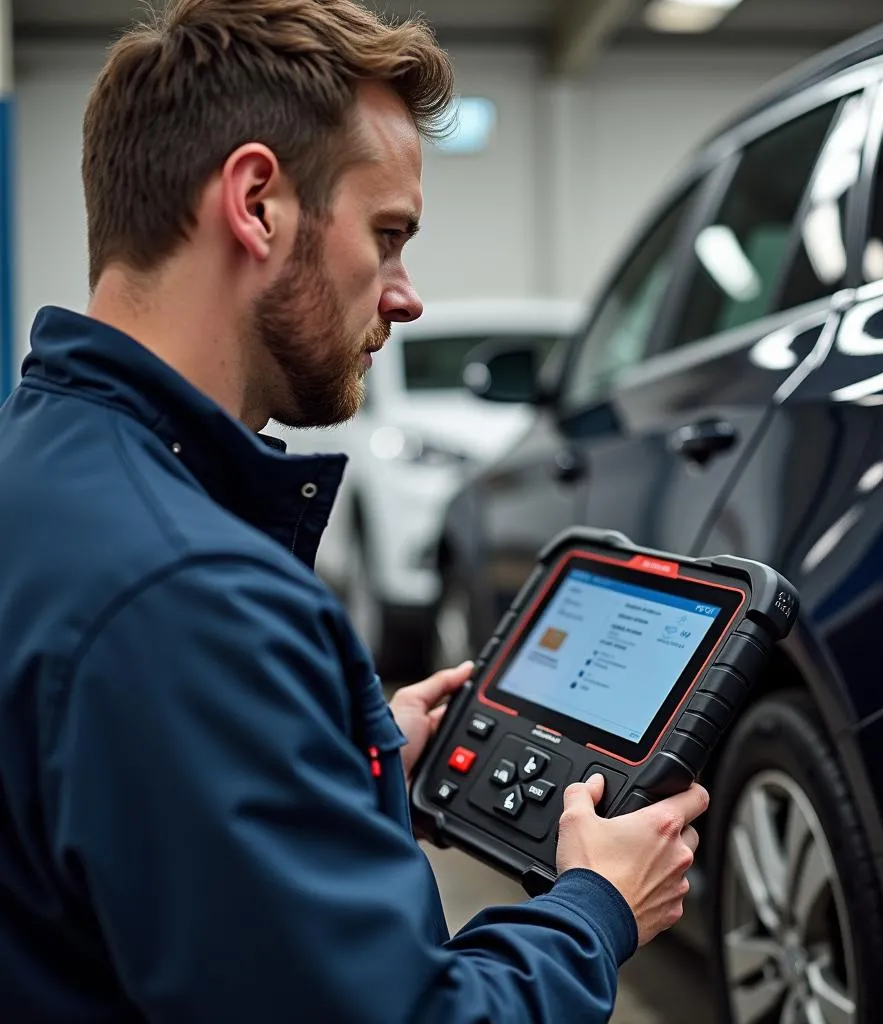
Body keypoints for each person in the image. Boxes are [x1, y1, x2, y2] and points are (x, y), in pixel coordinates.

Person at [0, 1, 709, 1021]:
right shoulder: (187, 596)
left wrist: (329, 760)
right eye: (386, 236)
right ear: (257, 204)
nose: (406, 295)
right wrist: (595, 909)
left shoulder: (44, 469)